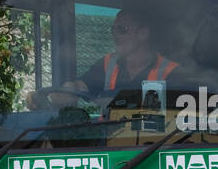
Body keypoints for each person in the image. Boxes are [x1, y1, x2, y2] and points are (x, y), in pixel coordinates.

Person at [35, 8, 180, 108]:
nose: (115, 35)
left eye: (122, 30)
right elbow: (82, 86)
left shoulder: (171, 72)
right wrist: (67, 90)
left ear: (143, 33)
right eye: (113, 30)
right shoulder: (108, 64)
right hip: (109, 148)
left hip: (153, 148)